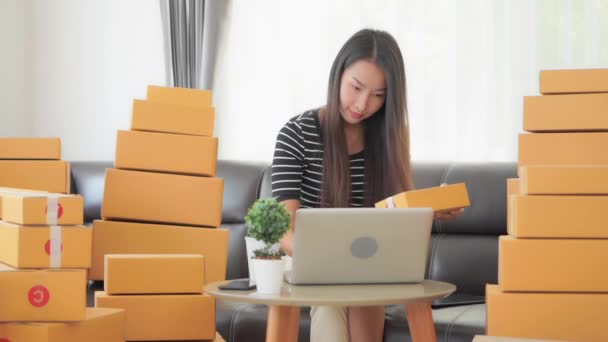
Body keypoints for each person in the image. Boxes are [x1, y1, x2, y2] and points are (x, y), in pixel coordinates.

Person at [271, 28, 464, 342]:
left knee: (366, 299)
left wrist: (428, 211)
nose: (363, 103)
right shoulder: (297, 133)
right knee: (331, 308)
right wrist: (325, 263)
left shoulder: (389, 138)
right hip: (306, 262)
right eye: (356, 87)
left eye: (378, 95)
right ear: (338, 74)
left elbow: (391, 215)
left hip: (366, 265)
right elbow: (284, 229)